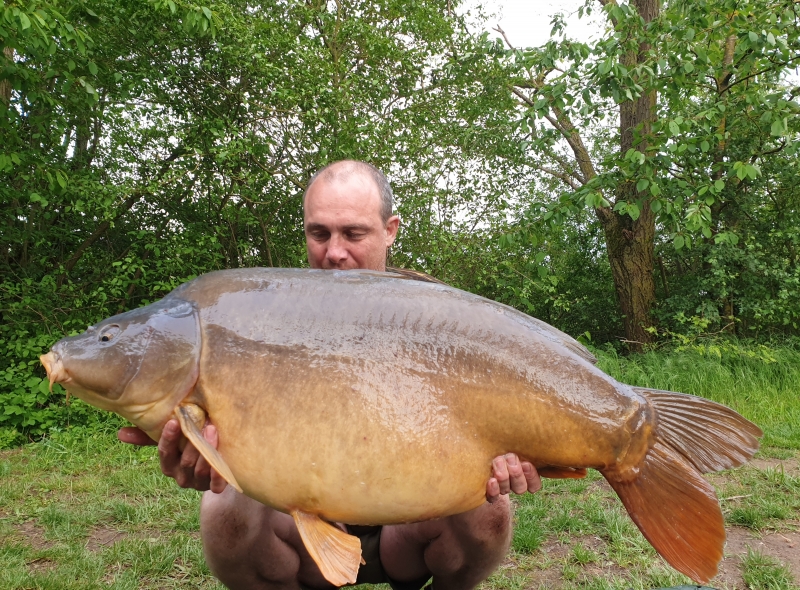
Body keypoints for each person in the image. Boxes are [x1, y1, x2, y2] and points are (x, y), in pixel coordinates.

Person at [118, 160, 542, 590]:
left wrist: (514, 455)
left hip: (408, 530)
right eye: (319, 233)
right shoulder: (266, 315)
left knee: (493, 510)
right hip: (302, 533)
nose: (334, 252)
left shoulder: (432, 317)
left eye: (353, 234)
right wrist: (203, 455)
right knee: (221, 510)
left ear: (390, 229)